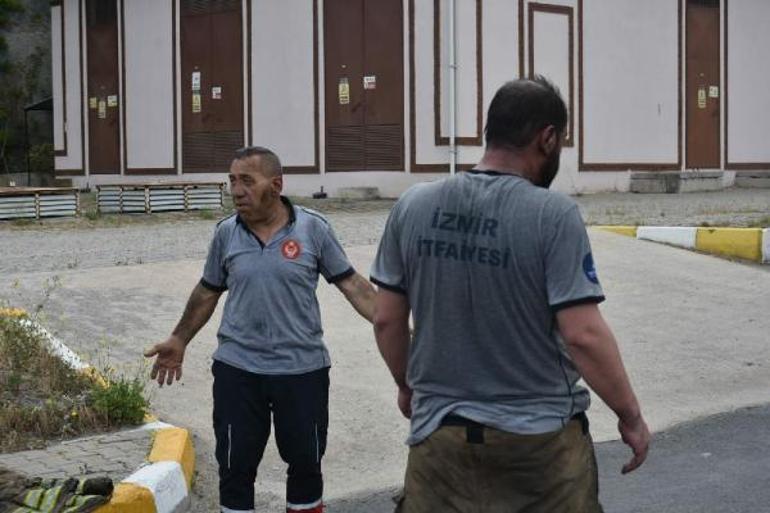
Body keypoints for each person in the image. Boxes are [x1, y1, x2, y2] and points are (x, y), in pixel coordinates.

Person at [370, 77, 650, 512]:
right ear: (548, 138)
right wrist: (630, 416)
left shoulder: (413, 205)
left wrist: (407, 385)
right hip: (540, 450)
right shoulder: (553, 215)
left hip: (440, 442)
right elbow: (583, 335)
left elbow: (386, 318)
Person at [144, 146, 377, 513]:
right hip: (238, 370)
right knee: (235, 468)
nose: (236, 191)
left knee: (306, 465)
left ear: (276, 185)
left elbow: (353, 285)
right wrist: (179, 338)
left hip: (302, 370)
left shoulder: (313, 228)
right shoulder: (226, 233)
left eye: (247, 181)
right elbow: (208, 290)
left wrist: (396, 327)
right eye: (232, 181)